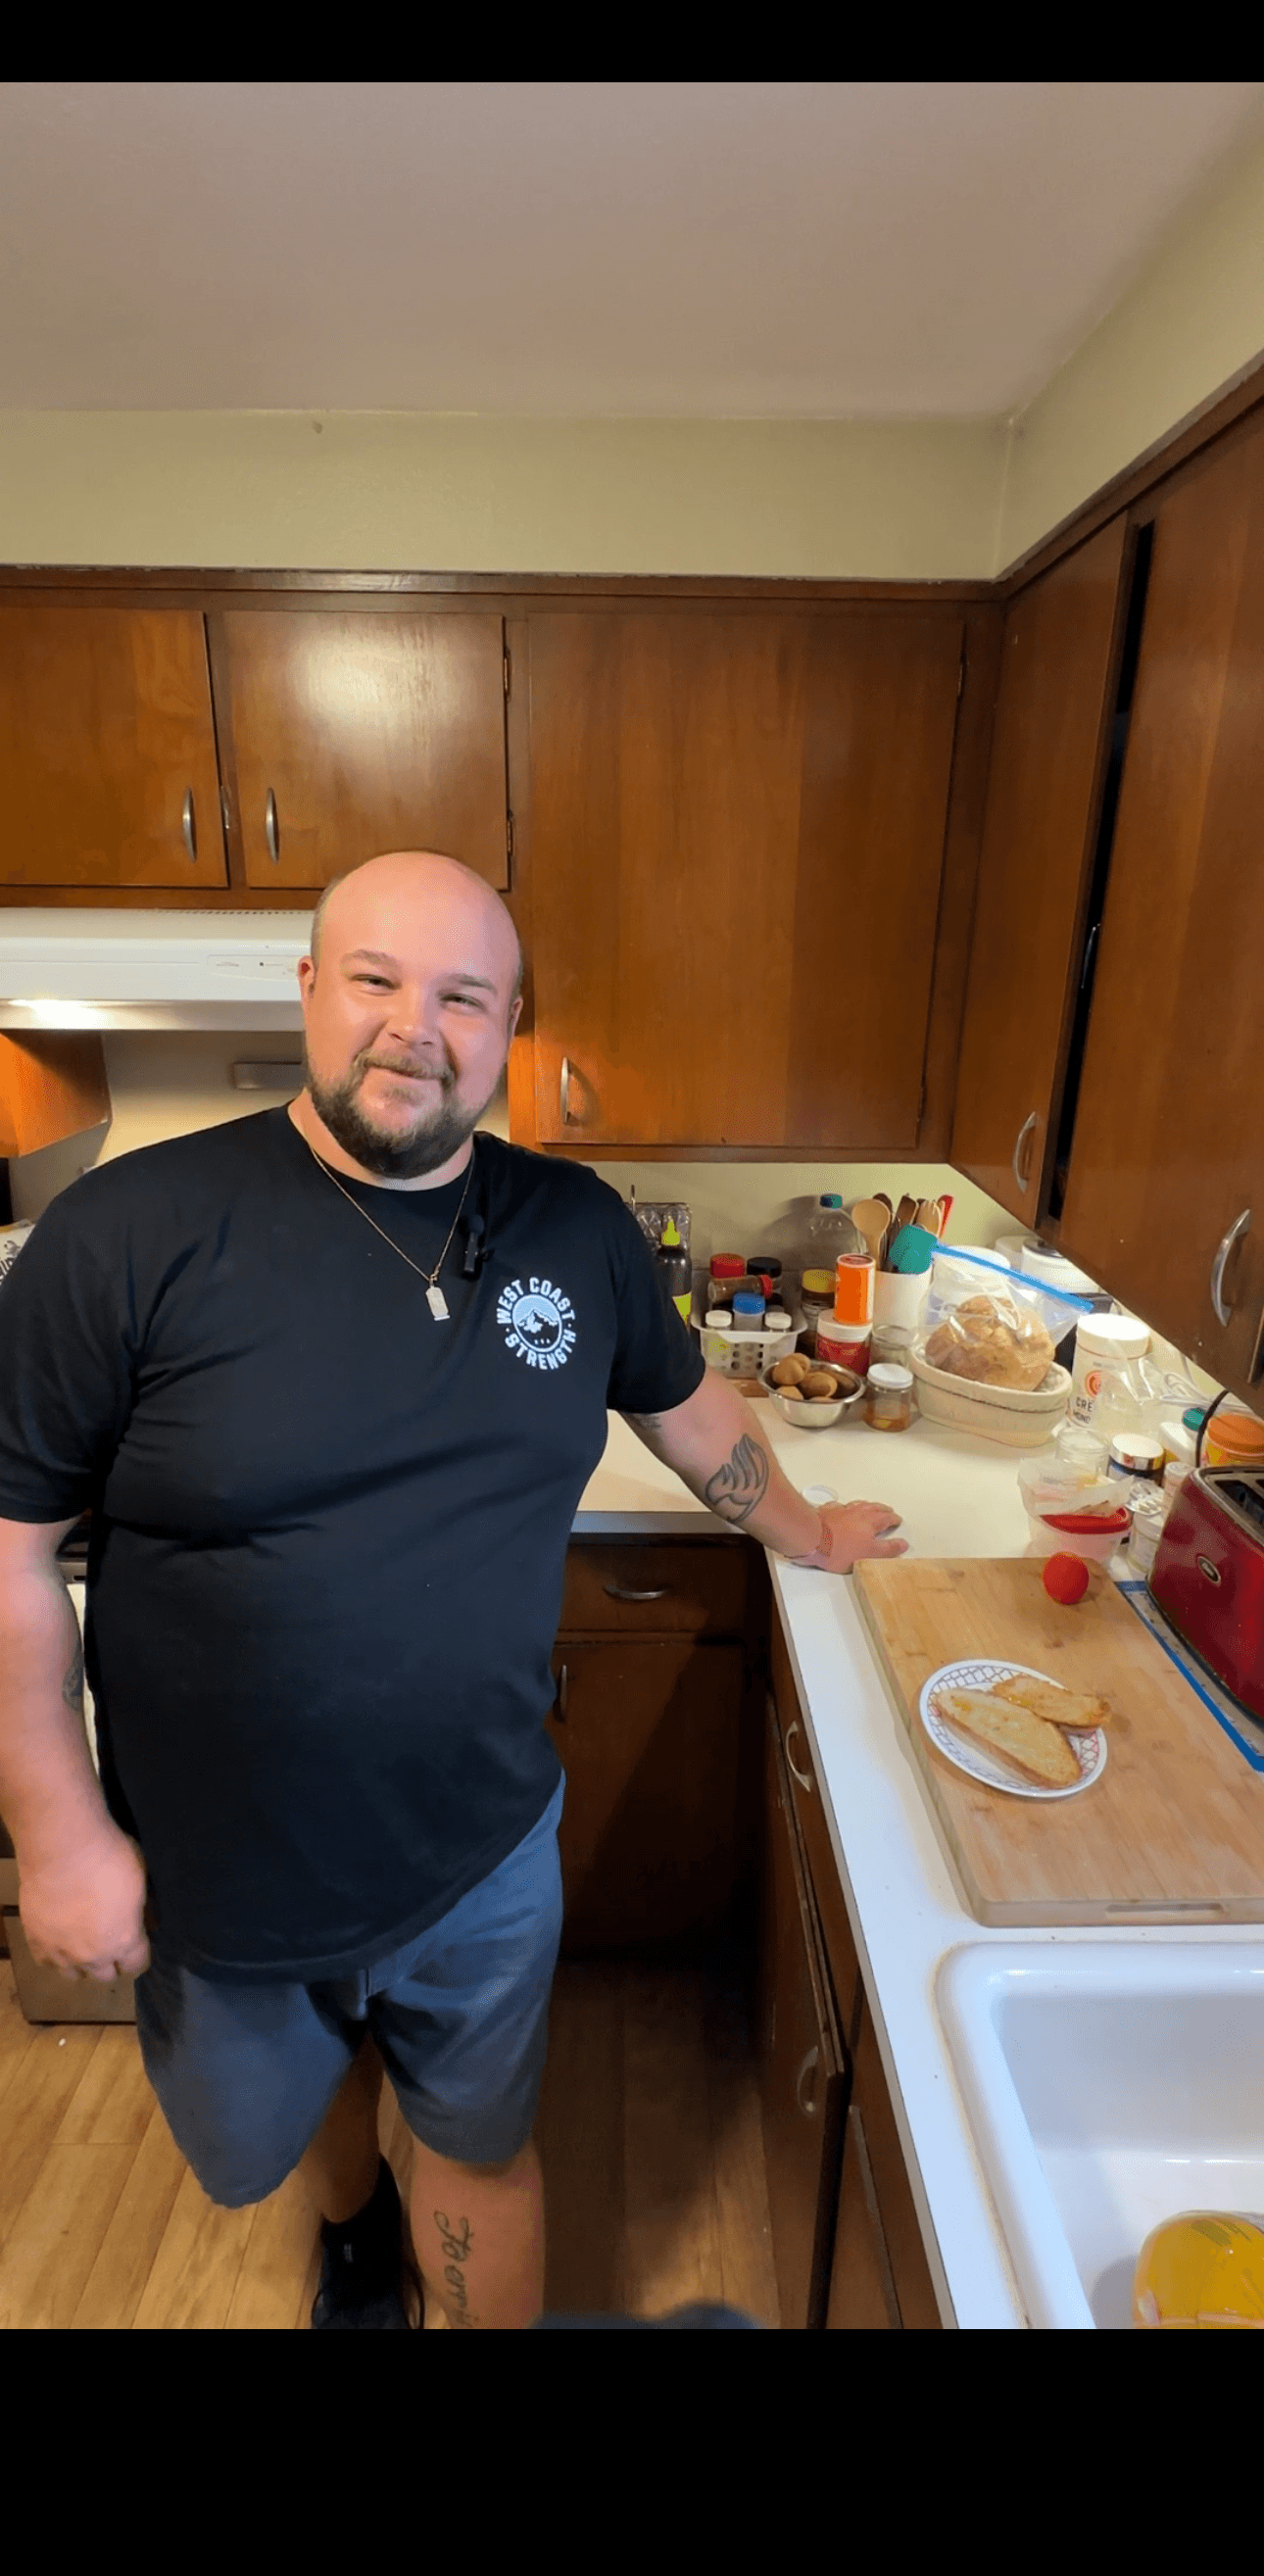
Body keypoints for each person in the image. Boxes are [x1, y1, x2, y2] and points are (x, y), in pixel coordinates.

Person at [0, 851, 907, 2330]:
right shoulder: (128, 1235)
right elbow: (10, 1555)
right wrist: (55, 1831)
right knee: (289, 2123)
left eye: (462, 996)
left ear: (508, 1026)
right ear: (310, 989)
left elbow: (688, 1411)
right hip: (226, 1870)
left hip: (481, 1844)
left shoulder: (576, 1226)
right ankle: (355, 2234)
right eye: (375, 979)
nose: (414, 1027)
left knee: (483, 2139)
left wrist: (799, 1526)